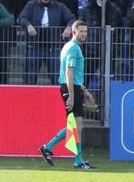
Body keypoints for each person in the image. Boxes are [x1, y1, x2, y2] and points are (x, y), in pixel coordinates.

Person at [39, 20, 95, 171]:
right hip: (70, 88)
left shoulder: (71, 47)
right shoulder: (73, 49)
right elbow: (68, 72)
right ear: (74, 31)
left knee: (76, 126)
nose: (84, 34)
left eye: (85, 31)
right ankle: (49, 148)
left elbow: (73, 75)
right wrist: (71, 94)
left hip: (74, 87)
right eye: (81, 31)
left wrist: (84, 90)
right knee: (75, 126)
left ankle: (76, 159)